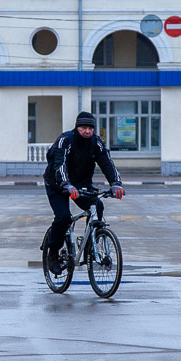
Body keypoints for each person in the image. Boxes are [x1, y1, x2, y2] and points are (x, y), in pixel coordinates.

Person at [42, 111, 124, 270]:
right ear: (77, 127)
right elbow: (60, 164)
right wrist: (66, 184)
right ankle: (52, 253)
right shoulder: (66, 140)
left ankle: (90, 247)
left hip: (80, 184)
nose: (87, 131)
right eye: (84, 128)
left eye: (90, 128)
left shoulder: (96, 142)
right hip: (57, 184)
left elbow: (107, 163)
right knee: (64, 217)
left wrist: (116, 183)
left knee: (97, 205)